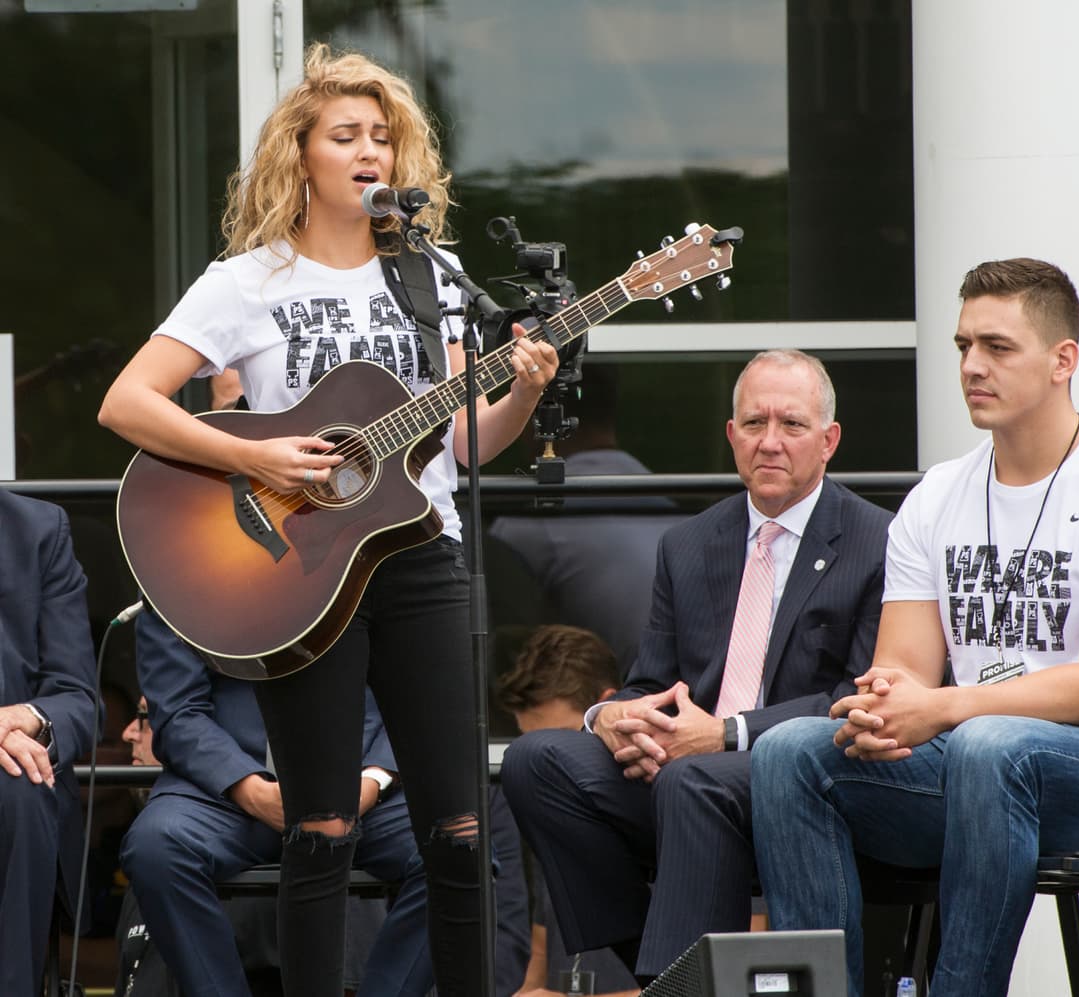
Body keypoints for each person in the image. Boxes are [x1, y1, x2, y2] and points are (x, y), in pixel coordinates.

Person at [97, 42, 558, 997]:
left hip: (422, 554)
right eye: (345, 135)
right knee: (319, 827)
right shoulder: (246, 281)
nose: (370, 153)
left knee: (461, 826)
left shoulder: (436, 278)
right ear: (297, 156)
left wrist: (515, 395)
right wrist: (254, 455)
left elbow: (461, 445)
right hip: (298, 570)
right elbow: (128, 402)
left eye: (384, 138)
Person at [750, 259, 1079, 997]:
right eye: (964, 345)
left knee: (992, 745)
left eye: (997, 347)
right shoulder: (938, 496)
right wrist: (884, 703)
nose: (971, 366)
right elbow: (905, 665)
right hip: (974, 772)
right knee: (793, 752)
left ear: (1065, 361)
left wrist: (946, 708)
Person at [502, 349, 894, 984]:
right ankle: (670, 977)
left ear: (829, 441)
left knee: (694, 780)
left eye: (791, 425)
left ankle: (677, 979)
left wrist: (724, 735)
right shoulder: (687, 543)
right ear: (730, 436)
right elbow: (650, 681)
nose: (770, 442)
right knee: (537, 761)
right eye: (753, 424)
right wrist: (615, 718)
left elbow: (858, 696)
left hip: (800, 772)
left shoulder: (877, 541)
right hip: (685, 765)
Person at [115, 610, 532, 997]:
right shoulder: (183, 560)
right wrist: (250, 788)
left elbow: (423, 691)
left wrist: (372, 782)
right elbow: (177, 710)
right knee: (156, 848)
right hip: (223, 790)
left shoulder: (376, 548)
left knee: (460, 850)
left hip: (365, 785)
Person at [488, 363, 688, 670]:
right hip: (685, 686)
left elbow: (500, 632)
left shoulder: (533, 519)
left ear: (537, 419)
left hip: (606, 698)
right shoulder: (664, 498)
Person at [497, 625, 639, 997]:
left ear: (605, 708)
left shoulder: (681, 807)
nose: (545, 771)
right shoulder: (552, 811)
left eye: (560, 742)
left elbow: (730, 979)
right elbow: (538, 964)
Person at [0, 488, 98, 996]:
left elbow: (78, 699)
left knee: (21, 785)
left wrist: (20, 718)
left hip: (12, 777)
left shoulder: (40, 530)